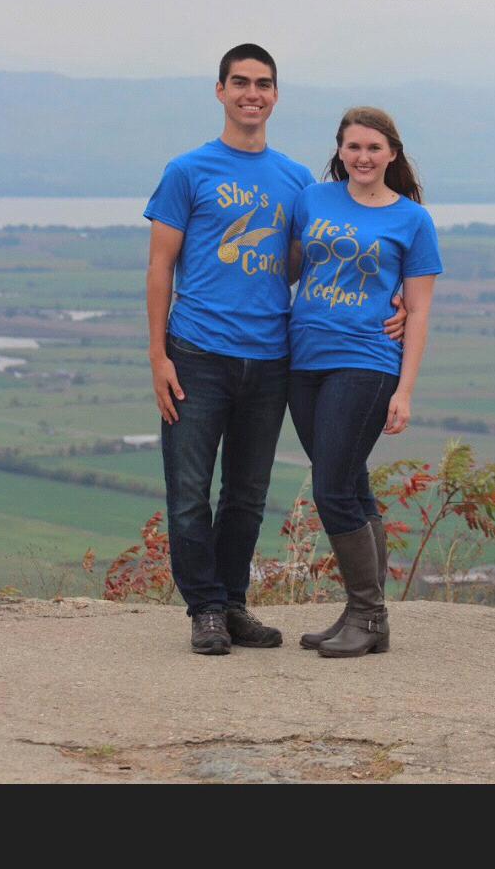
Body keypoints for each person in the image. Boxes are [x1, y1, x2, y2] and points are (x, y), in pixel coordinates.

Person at [144, 47, 406, 655]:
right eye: (240, 82)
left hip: (271, 358)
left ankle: (233, 606)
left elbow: (330, 251)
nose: (251, 93)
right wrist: (158, 356)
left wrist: (394, 299)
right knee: (189, 494)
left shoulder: (296, 181)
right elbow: (160, 268)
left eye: (262, 84)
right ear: (220, 91)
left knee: (246, 496)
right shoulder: (187, 171)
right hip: (197, 353)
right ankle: (205, 610)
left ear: (276, 95)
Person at [288, 106, 443, 658]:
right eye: (353, 146)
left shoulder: (412, 220)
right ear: (340, 151)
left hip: (367, 362)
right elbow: (289, 267)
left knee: (331, 487)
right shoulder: (313, 200)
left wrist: (405, 390)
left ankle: (369, 615)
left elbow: (418, 312)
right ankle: (365, 615)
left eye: (374, 148)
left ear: (392, 153)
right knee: (350, 482)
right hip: (304, 361)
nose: (363, 157)